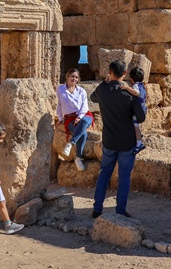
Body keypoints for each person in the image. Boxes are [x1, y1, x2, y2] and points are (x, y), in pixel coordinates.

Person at [90, 60, 146, 218]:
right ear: (125, 73)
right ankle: (120, 211)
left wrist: (103, 82)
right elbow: (141, 118)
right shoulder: (130, 93)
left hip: (109, 140)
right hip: (127, 142)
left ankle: (97, 209)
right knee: (124, 176)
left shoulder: (103, 89)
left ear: (110, 72)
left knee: (104, 174)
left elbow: (92, 98)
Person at [56, 68, 93, 171]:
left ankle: (71, 143)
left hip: (84, 115)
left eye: (76, 77)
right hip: (69, 118)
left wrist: (80, 117)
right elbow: (59, 105)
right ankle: (78, 158)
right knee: (83, 133)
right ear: (67, 77)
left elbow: (85, 107)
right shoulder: (60, 89)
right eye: (72, 76)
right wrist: (60, 118)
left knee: (85, 122)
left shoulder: (81, 91)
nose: (74, 79)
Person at [119, 66, 147, 154]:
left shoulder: (135, 86)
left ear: (131, 78)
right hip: (143, 109)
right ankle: (137, 136)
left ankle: (139, 144)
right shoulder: (143, 85)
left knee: (135, 126)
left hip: (138, 111)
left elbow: (137, 93)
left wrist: (127, 88)